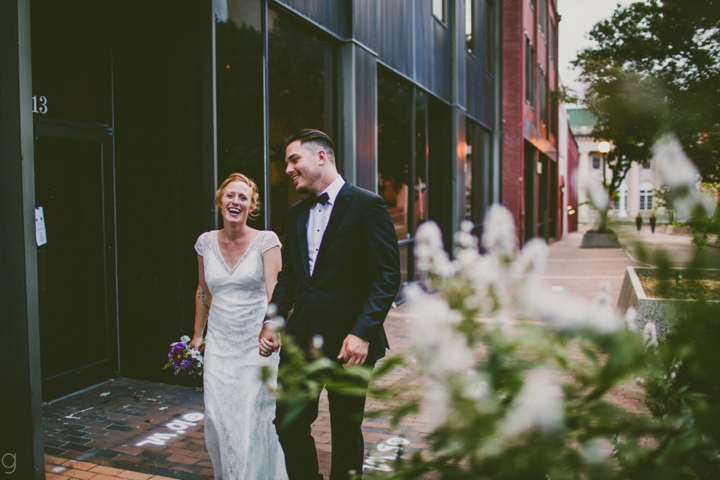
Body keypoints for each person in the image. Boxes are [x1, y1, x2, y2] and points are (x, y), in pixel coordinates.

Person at [259, 129, 401, 480]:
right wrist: (273, 319)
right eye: (286, 163)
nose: (288, 169)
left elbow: (387, 276)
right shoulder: (295, 215)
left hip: (348, 344)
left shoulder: (368, 205)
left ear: (321, 157)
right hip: (301, 338)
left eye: (294, 160)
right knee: (287, 424)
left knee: (345, 432)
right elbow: (289, 277)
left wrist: (362, 333)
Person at [189, 173, 287, 480]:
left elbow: (276, 290)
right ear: (220, 202)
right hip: (219, 345)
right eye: (230, 196)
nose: (236, 202)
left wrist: (274, 328)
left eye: (243, 197)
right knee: (218, 418)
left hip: (256, 346)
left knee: (253, 419)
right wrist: (197, 335)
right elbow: (203, 291)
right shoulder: (205, 242)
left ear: (251, 206)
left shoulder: (266, 241)